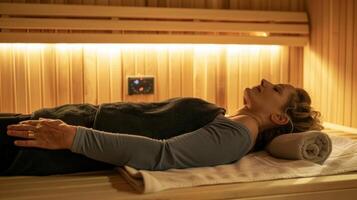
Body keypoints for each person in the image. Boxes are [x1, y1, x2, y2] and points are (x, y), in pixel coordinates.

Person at [3, 79, 323, 174]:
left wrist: (72, 136)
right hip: (60, 122)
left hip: (53, 145)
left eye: (277, 90)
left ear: (280, 118)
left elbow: (162, 155)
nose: (266, 81)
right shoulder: (230, 122)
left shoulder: (236, 136)